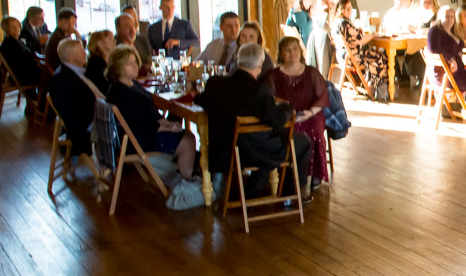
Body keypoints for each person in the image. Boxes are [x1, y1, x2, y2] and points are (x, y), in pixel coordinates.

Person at [196, 43, 312, 201]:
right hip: (250, 153)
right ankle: (290, 196)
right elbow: (277, 121)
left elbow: (200, 100)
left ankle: (253, 188)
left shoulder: (215, 84)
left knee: (267, 142)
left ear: (238, 60)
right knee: (302, 142)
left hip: (225, 152)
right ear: (260, 64)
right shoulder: (259, 90)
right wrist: (287, 108)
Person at [103, 46, 197, 180]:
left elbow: (148, 114)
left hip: (141, 134)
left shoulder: (130, 84)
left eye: (135, 61)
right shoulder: (122, 93)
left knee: (184, 133)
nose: (135, 66)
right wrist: (166, 127)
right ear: (118, 67)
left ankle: (181, 174)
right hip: (137, 142)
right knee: (188, 140)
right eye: (129, 63)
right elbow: (140, 125)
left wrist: (165, 123)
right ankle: (186, 183)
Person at [265, 35, 330, 190]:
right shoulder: (273, 75)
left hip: (310, 113)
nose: (292, 53)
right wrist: (287, 112)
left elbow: (322, 97)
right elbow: (269, 98)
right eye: (287, 50)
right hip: (286, 116)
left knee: (315, 128)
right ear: (281, 53)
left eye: (295, 49)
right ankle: (291, 175)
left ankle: (315, 174)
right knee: (290, 131)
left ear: (300, 51)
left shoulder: (311, 72)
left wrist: (309, 113)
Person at [426, 5, 466, 113]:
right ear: (440, 17)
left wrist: (458, 52)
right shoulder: (435, 31)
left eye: (452, 17)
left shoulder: (452, 31)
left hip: (458, 70)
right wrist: (450, 59)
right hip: (444, 73)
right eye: (446, 16)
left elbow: (456, 48)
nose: (450, 19)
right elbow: (433, 50)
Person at [48, 37, 97, 158]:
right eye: (81, 51)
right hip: (84, 129)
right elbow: (71, 115)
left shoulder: (73, 71)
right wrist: (94, 125)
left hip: (91, 120)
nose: (85, 53)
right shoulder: (61, 79)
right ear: (70, 57)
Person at [334, 0, 388, 98]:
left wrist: (359, 31)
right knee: (382, 59)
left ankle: (369, 83)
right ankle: (373, 87)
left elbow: (353, 37)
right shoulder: (345, 23)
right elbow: (361, 40)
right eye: (346, 9)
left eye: (350, 8)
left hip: (342, 56)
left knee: (377, 55)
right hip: (353, 58)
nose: (349, 11)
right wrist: (373, 35)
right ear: (341, 10)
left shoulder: (337, 22)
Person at [0, 16, 41, 87]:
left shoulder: (17, 41)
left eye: (17, 25)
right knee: (50, 74)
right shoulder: (9, 44)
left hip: (27, 72)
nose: (16, 28)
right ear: (7, 29)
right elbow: (22, 62)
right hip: (23, 76)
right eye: (13, 27)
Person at [304, 0, 335, 73]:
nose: (327, 4)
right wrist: (326, 13)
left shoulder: (333, 15)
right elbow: (326, 29)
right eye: (324, 2)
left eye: (328, 2)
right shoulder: (318, 17)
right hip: (325, 48)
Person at [85, 29, 115, 96]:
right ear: (100, 44)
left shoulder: (109, 62)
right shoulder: (95, 65)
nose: (114, 41)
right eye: (110, 39)